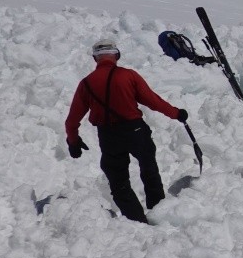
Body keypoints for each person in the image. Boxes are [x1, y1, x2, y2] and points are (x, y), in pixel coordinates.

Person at [64, 39, 187, 223]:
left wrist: (73, 142)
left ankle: (137, 221)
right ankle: (159, 212)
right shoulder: (128, 76)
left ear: (95, 58)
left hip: (108, 136)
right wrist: (176, 113)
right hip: (135, 130)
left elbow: (71, 121)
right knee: (149, 169)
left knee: (119, 182)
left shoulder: (86, 84)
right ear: (116, 55)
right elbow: (153, 101)